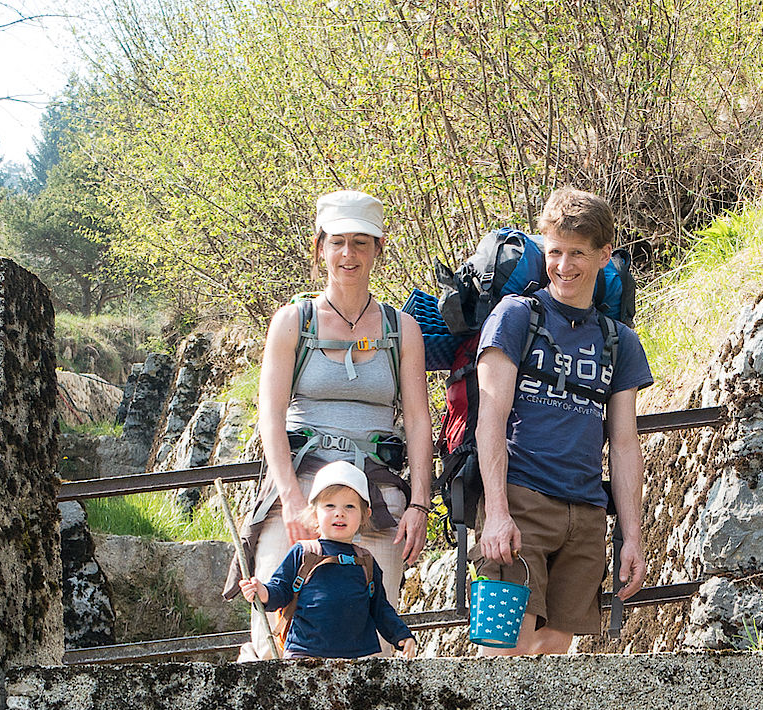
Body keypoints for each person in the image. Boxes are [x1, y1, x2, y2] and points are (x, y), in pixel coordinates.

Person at [230, 189, 433, 659]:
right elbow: (270, 416)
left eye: (361, 243)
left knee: (375, 646)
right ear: (320, 246)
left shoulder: (402, 329)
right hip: (301, 485)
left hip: (377, 495)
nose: (348, 254)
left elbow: (420, 420)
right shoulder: (291, 323)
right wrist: (294, 500)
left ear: (379, 250)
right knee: (273, 637)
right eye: (338, 241)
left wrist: (419, 504)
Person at [473, 188, 653, 655]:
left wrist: (631, 536)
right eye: (554, 252)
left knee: (552, 655)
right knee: (500, 652)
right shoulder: (514, 316)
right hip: (519, 503)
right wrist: (495, 513)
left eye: (577, 253)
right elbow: (489, 416)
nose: (564, 265)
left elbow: (626, 444)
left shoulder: (620, 342)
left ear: (603, 255)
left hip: (586, 515)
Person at [240, 463, 418, 661]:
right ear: (315, 512)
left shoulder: (366, 561)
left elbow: (380, 608)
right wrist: (262, 592)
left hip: (358, 657)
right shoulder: (304, 553)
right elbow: (280, 591)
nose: (339, 513)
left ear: (365, 514)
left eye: (349, 506)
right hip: (303, 652)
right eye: (329, 506)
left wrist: (402, 635)